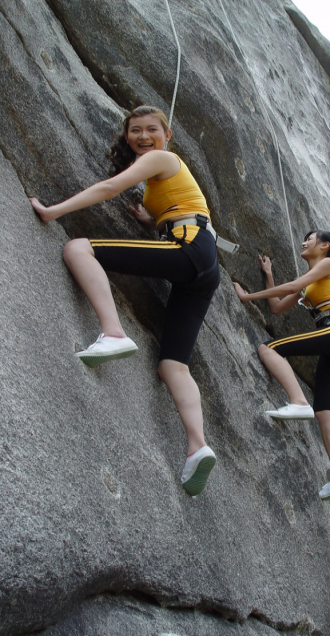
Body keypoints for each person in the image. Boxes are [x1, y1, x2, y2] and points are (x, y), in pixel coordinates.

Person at [29, 105, 220, 497]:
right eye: (136, 130)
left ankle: (113, 332)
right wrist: (153, 222)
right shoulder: (159, 177)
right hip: (203, 262)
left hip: (189, 247)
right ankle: (197, 446)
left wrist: (54, 210)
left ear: (168, 136)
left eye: (152, 129)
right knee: (172, 364)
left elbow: (109, 188)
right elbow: (183, 208)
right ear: (128, 135)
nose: (144, 136)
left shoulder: (162, 157)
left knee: (78, 248)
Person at [233, 231, 330, 501]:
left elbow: (292, 288)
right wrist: (268, 274)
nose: (304, 242)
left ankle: (298, 401)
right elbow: (277, 307)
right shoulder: (310, 283)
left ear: (325, 245)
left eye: (310, 238)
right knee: (324, 409)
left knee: (270, 348)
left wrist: (248, 296)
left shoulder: (328, 264)